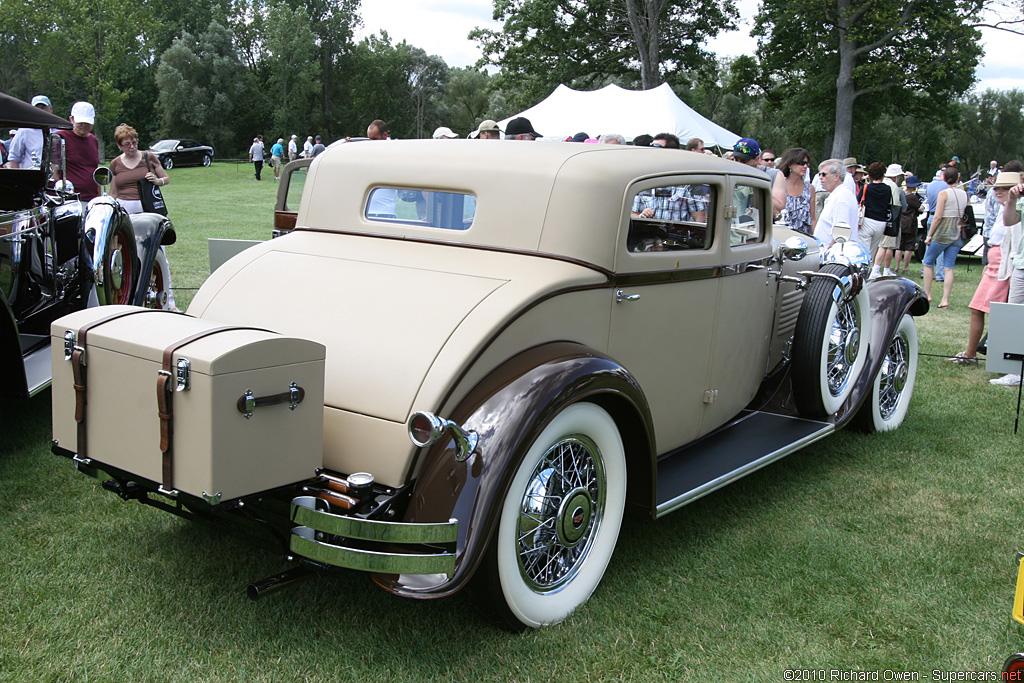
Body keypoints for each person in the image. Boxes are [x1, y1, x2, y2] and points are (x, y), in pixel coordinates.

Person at [946, 171, 1021, 365]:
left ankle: (1000, 357)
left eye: (1004, 189)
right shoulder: (1003, 209)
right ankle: (972, 353)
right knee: (976, 308)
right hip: (994, 265)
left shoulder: (1016, 209)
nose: (998, 191)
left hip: (1006, 267)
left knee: (999, 314)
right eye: (996, 188)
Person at [922, 165, 968, 308]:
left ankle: (927, 294)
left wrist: (929, 235)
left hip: (943, 232)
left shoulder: (944, 193)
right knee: (949, 267)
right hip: (957, 231)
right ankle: (945, 299)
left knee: (928, 262)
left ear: (944, 178)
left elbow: (938, 216)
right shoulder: (964, 194)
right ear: (958, 178)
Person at [109, 123, 169, 213]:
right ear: (119, 146)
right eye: (127, 144)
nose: (132, 146)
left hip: (148, 206)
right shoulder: (115, 163)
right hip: (124, 209)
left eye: (134, 142)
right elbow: (113, 193)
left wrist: (157, 181)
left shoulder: (148, 157)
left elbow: (166, 179)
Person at [52, 101, 100, 201]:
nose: (84, 125)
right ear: (71, 119)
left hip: (91, 198)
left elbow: (95, 169)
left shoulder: (93, 140)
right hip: (70, 199)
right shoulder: (59, 138)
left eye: (87, 122)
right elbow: (54, 172)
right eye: (80, 122)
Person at [869, 163, 908, 278]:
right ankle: (876, 269)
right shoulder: (892, 186)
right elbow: (895, 204)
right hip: (887, 218)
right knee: (885, 245)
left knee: (877, 245)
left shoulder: (878, 184)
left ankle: (878, 268)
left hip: (875, 218)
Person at [813, 159, 859, 247]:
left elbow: (841, 235)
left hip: (834, 256)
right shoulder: (838, 195)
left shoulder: (841, 198)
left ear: (836, 176)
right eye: (819, 174)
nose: (820, 177)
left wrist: (827, 253)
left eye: (824, 174)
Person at [771, 148, 815, 234]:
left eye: (806, 163)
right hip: (782, 236)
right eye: (801, 163)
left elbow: (812, 219)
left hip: (804, 238)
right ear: (790, 164)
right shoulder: (777, 186)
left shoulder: (810, 188)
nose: (805, 166)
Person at [7, 95, 52, 169]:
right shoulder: (24, 130)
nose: (40, 110)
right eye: (36, 108)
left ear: (51, 109)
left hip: (55, 177)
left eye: (43, 107)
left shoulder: (58, 130)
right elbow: (14, 158)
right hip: (32, 175)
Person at [894, 175, 924, 277]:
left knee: (899, 247)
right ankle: (905, 268)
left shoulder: (901, 194)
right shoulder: (913, 197)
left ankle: (897, 267)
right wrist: (922, 207)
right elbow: (920, 209)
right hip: (911, 224)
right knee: (909, 247)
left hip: (901, 222)